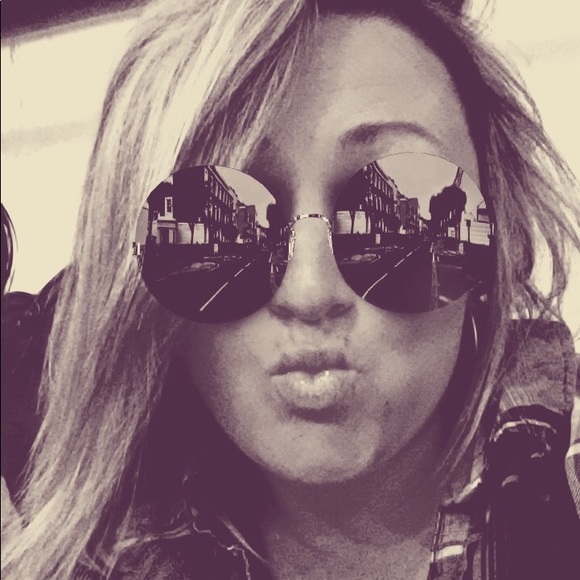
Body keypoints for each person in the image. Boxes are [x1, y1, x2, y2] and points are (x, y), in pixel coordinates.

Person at [2, 0, 579, 578]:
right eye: (218, 226)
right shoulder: (98, 559)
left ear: (495, 244)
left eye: (402, 212)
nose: (309, 292)